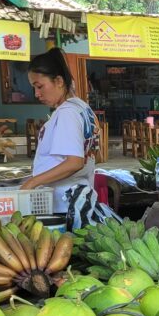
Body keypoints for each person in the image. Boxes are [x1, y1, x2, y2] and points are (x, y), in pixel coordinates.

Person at [20, 48, 98, 213]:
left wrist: (32, 183)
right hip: (78, 199)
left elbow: (74, 162)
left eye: (40, 86)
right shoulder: (81, 107)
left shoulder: (67, 113)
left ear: (59, 81)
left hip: (65, 204)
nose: (37, 94)